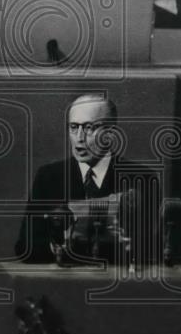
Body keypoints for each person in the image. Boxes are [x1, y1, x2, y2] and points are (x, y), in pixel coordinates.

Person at [15, 94, 160, 263]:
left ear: (111, 133)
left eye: (89, 128)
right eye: (74, 127)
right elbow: (24, 247)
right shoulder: (48, 177)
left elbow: (152, 249)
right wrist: (60, 245)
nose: (79, 137)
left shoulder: (143, 179)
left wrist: (122, 243)